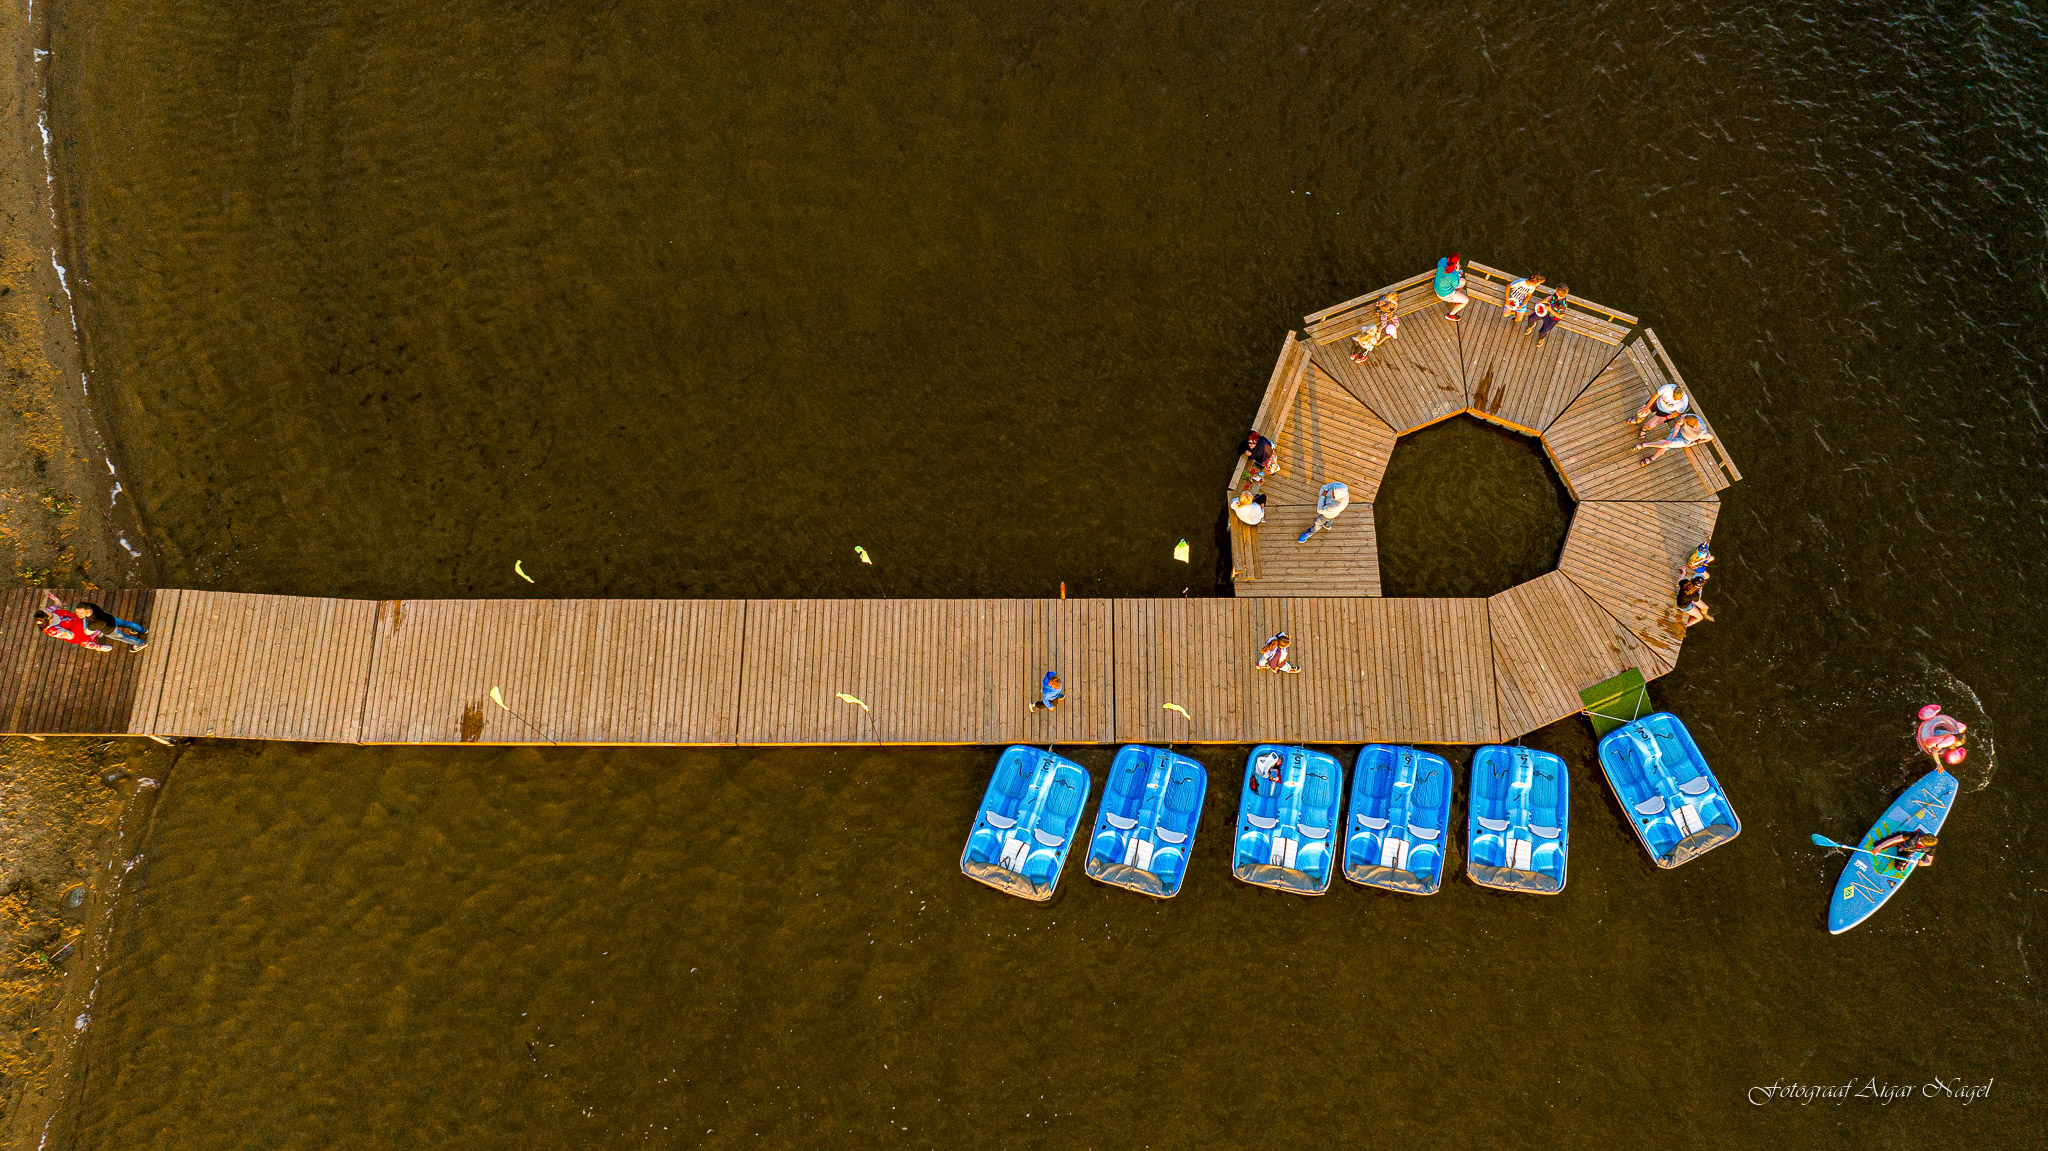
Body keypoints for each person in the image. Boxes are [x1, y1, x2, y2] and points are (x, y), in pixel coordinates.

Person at [1637, 413, 1715, 467]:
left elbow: (1710, 437)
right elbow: (1678, 424)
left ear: (1690, 426)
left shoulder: (1701, 432)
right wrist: (1674, 435)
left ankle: (1645, 445)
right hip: (1678, 432)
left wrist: (1696, 442)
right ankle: (1652, 458)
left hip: (1685, 440)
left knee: (1665, 445)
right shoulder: (1688, 417)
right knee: (1663, 447)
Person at [1350, 296, 1400, 363]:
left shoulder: (1364, 331)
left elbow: (1361, 331)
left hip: (1360, 344)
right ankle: (1359, 358)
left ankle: (1354, 355)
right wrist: (1385, 337)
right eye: (1373, 330)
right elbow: (1377, 343)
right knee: (1363, 352)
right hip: (1365, 347)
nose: (1373, 330)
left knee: (1358, 348)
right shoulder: (1371, 339)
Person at [1870, 830, 1938, 868]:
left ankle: (1907, 860)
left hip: (1908, 850)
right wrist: (1878, 848)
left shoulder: (1931, 848)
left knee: (1900, 868)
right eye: (1920, 838)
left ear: (1924, 845)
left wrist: (1923, 863)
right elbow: (1894, 840)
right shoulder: (1912, 835)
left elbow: (1929, 862)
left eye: (1921, 841)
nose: (1919, 840)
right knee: (1876, 845)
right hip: (1900, 842)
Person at [1434, 253, 1468, 322]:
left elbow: (1445, 269)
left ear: (1448, 258)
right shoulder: (1452, 275)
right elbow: (1456, 284)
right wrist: (1457, 271)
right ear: (1457, 262)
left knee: (1463, 282)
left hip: (1438, 286)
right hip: (1444, 294)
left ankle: (1455, 299)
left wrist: (1455, 271)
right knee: (1466, 300)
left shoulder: (1443, 261)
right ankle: (1451, 315)